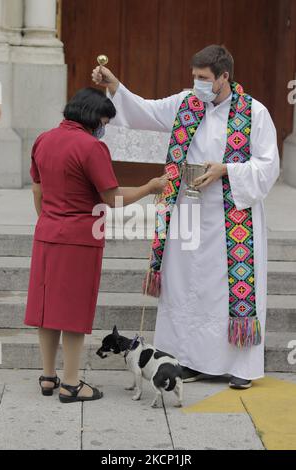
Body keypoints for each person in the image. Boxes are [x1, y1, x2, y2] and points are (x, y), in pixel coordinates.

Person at [92, 44, 280, 390]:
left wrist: (226, 169)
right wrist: (115, 84)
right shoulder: (186, 103)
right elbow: (143, 112)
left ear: (225, 77)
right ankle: (189, 360)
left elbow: (269, 166)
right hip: (188, 213)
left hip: (232, 219)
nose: (198, 84)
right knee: (185, 288)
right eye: (195, 77)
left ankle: (239, 366)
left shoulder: (254, 113)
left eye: (205, 78)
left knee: (224, 292)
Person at [24, 87, 168, 403]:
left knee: (45, 310)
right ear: (93, 116)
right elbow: (111, 197)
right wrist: (150, 186)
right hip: (78, 239)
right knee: (73, 313)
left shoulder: (43, 139)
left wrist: (49, 222)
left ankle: (48, 377)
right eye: (104, 120)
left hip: (47, 233)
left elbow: (38, 190)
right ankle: (72, 384)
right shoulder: (91, 147)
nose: (104, 126)